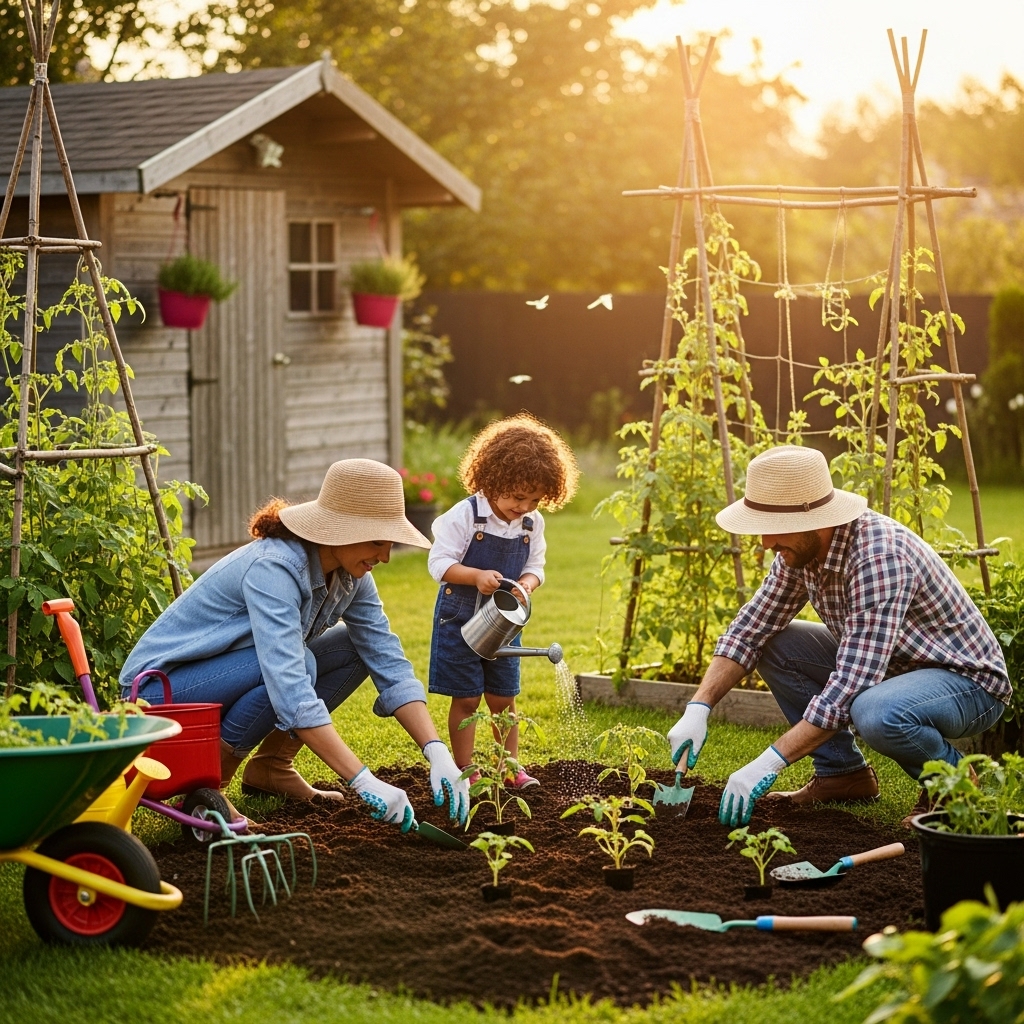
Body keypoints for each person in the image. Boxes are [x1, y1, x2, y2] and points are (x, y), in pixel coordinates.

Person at [665, 445, 1010, 828]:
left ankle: (953, 786)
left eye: (773, 529)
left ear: (815, 518)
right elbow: (750, 629)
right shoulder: (801, 550)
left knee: (876, 711)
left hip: (965, 682)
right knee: (775, 644)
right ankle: (842, 775)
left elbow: (851, 686)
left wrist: (768, 762)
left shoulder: (878, 557)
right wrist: (699, 707)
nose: (765, 543)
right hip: (892, 670)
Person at [120, 458, 469, 832]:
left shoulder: (351, 576)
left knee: (355, 648)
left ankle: (271, 767)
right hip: (158, 692)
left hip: (224, 676)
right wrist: (363, 780)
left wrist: (437, 752)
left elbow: (386, 655)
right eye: (378, 541)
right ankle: (209, 783)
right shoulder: (275, 567)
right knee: (298, 664)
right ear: (342, 530)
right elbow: (287, 681)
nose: (385, 556)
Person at [427, 413, 579, 786]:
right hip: (461, 619)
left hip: (504, 624)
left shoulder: (531, 523)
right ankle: (465, 769)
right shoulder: (466, 516)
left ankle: (509, 768)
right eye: (515, 496)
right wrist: (475, 576)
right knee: (466, 699)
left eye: (533, 498)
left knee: (503, 698)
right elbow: (438, 563)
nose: (524, 506)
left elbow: (537, 566)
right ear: (491, 480)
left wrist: (525, 585)